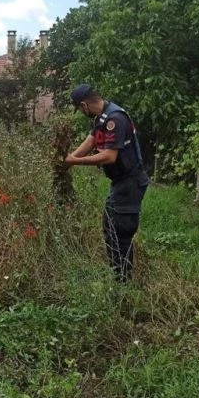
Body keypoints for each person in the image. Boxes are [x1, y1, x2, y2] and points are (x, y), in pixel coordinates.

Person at [62, 85, 150, 282]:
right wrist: (69, 159)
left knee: (120, 233)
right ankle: (118, 276)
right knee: (110, 228)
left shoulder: (115, 119)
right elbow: (91, 141)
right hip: (120, 183)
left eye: (79, 109)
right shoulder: (102, 117)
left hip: (130, 183)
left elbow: (110, 156)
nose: (81, 112)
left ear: (84, 105)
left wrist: (74, 161)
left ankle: (122, 282)